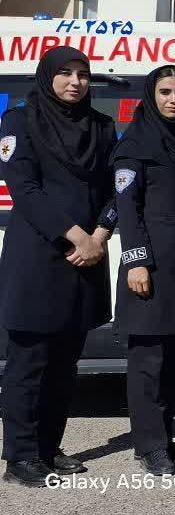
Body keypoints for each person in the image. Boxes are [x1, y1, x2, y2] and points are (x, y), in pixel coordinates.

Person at [0, 47, 117, 488]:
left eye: (82, 74)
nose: (75, 82)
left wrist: (100, 235)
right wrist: (76, 236)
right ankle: (21, 457)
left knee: (65, 364)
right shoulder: (19, 121)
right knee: (28, 363)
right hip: (38, 258)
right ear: (47, 76)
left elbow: (115, 189)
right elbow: (24, 189)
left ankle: (49, 447)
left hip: (86, 259)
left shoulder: (101, 126)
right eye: (65, 73)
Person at [112, 65, 175, 476]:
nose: (174, 100)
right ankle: (148, 446)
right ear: (151, 96)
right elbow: (127, 209)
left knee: (172, 359)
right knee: (148, 360)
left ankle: (163, 438)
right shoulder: (135, 146)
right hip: (149, 268)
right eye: (165, 92)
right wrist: (136, 261)